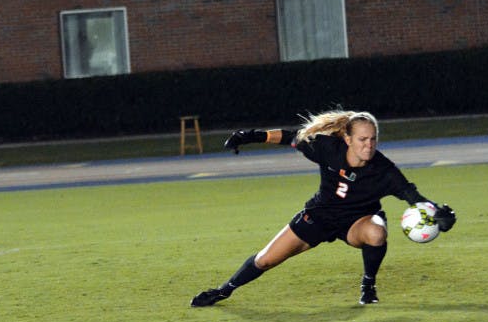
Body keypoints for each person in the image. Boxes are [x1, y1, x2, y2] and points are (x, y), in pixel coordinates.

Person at [190, 110, 457, 307]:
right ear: (348, 138)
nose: (369, 145)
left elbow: (412, 194)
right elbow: (291, 137)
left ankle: (368, 284)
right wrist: (249, 136)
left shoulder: (384, 170)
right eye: (363, 139)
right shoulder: (328, 149)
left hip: (357, 222)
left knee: (377, 233)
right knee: (266, 259)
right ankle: (223, 290)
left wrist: (437, 212)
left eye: (373, 139)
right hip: (319, 216)